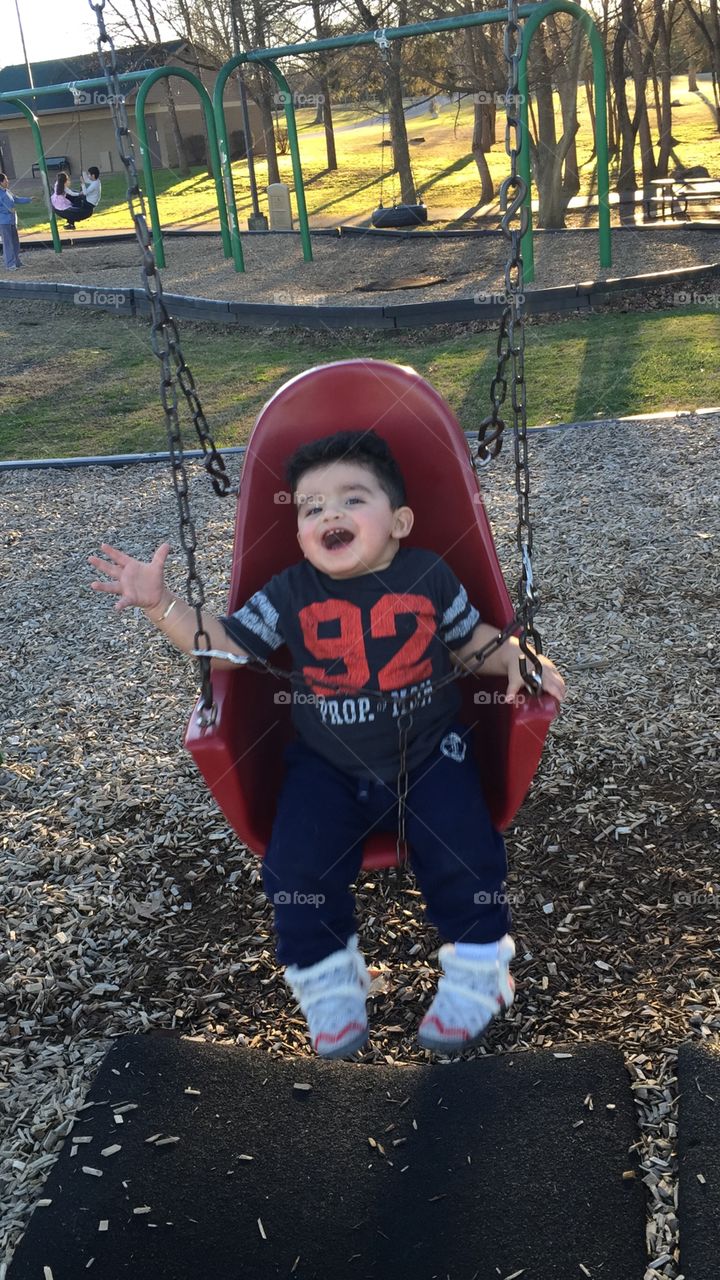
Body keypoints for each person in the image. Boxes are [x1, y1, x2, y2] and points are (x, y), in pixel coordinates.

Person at [89, 430, 566, 1059]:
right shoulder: (290, 591)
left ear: (399, 522)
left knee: (466, 849)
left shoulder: (428, 575)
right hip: (328, 767)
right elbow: (224, 646)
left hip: (430, 755)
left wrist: (521, 658)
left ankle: (481, 974)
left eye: (351, 499)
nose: (329, 514)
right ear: (299, 532)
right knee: (294, 868)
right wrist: (161, 604)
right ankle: (329, 984)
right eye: (311, 508)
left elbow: (472, 641)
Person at [0, 173, 32, 270]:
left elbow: (16, 199)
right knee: (8, 243)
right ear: (1, 182)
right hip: (4, 222)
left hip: (12, 221)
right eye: (6, 179)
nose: (7, 181)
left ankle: (17, 262)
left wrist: (29, 199)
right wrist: (7, 210)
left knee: (15, 242)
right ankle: (10, 265)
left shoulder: (7, 191)